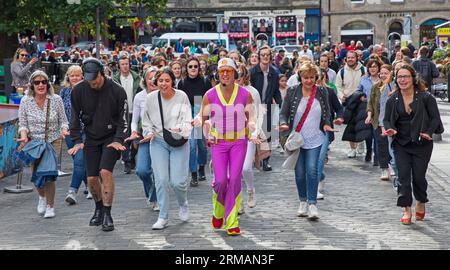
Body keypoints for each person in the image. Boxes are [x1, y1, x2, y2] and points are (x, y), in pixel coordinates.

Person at [194, 58, 258, 235]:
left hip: (239, 142)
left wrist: (252, 125)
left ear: (234, 73)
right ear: (218, 74)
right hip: (219, 143)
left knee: (235, 179)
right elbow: (202, 116)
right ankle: (218, 211)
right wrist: (198, 120)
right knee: (221, 181)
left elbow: (251, 115)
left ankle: (231, 221)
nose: (225, 74)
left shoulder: (245, 94)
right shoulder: (210, 95)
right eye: (222, 71)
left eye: (228, 71)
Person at [69, 58, 128, 232]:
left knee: (105, 171)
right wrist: (77, 139)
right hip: (91, 137)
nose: (92, 83)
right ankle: (99, 208)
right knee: (92, 178)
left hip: (111, 137)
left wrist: (119, 139)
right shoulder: (78, 90)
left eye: (94, 79)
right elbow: (74, 116)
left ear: (101, 73)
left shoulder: (117, 90)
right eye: (88, 79)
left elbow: (123, 119)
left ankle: (108, 213)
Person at [383, 64, 443, 225]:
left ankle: (421, 201)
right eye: (399, 77)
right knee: (403, 177)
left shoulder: (426, 97)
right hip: (401, 143)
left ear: (413, 78)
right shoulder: (392, 98)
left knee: (418, 177)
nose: (402, 80)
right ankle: (405, 208)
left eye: (406, 76)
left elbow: (435, 118)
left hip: (421, 143)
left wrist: (429, 132)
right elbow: (387, 119)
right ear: (396, 79)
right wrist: (390, 129)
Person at [279, 62, 334, 220]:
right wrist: (283, 123)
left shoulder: (322, 91)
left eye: (311, 77)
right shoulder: (292, 92)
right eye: (305, 78)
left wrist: (327, 124)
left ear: (316, 77)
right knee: (300, 172)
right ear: (300, 78)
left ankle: (312, 204)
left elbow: (327, 112)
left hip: (316, 137)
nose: (309, 81)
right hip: (297, 138)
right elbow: (284, 112)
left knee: (312, 169)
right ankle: (302, 201)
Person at [141, 68, 192, 230]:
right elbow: (146, 121)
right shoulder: (150, 98)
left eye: (167, 80)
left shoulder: (181, 96)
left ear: (172, 82)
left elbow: (187, 119)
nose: (164, 84)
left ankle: (183, 203)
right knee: (161, 179)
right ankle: (163, 216)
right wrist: (148, 133)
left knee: (177, 182)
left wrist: (180, 128)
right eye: (161, 80)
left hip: (178, 141)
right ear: (156, 82)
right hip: (158, 141)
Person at [17, 70, 69, 218]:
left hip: (53, 140)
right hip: (33, 142)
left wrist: (64, 130)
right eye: (37, 82)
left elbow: (63, 121)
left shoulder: (56, 99)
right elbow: (23, 123)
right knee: (35, 173)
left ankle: (50, 206)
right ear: (32, 85)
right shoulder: (25, 101)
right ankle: (41, 197)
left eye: (43, 82)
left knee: (49, 174)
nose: (41, 85)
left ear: (48, 84)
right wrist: (24, 136)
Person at [125, 67, 159, 211]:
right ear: (144, 80)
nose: (152, 80)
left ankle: (156, 199)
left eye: (154, 78)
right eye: (149, 77)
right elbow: (134, 120)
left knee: (159, 171)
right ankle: (151, 192)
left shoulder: (164, 94)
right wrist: (133, 132)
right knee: (142, 170)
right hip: (144, 137)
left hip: (161, 137)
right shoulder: (140, 97)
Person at [178, 57, 212, 187]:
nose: (193, 69)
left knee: (202, 145)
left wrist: (204, 118)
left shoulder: (205, 81)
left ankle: (201, 167)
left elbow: (209, 101)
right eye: (190, 66)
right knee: (191, 146)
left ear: (199, 68)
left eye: (195, 66)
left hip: (201, 113)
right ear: (186, 68)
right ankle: (193, 173)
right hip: (187, 116)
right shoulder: (182, 83)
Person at [59, 65, 91, 205]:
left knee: (79, 161)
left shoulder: (87, 90)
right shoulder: (64, 92)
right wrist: (61, 128)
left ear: (82, 76)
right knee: (80, 162)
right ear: (68, 77)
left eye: (77, 75)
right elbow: (59, 112)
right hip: (69, 132)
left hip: (84, 131)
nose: (75, 78)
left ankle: (72, 191)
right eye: (72, 75)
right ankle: (91, 185)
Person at [236, 62, 264, 214]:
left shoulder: (252, 92)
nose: (236, 80)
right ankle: (237, 201)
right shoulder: (227, 91)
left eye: (239, 77)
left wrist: (255, 133)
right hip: (232, 135)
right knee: (234, 171)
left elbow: (259, 114)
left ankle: (250, 189)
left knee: (246, 167)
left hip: (249, 134)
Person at [250, 45, 282, 171]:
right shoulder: (253, 72)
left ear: (270, 57)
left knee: (267, 133)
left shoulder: (274, 72)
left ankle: (265, 160)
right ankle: (252, 158)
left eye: (267, 55)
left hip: (267, 106)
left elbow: (276, 91)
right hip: (253, 107)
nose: (265, 57)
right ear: (259, 57)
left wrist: (279, 105)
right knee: (254, 132)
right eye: (262, 55)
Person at [112, 55, 142, 174]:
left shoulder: (136, 78)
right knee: (124, 137)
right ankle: (127, 162)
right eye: (122, 64)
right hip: (121, 112)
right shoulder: (115, 79)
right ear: (119, 66)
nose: (125, 66)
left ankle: (132, 157)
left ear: (130, 64)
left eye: (126, 63)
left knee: (135, 137)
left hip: (135, 110)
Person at [367, 64, 395, 181]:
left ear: (390, 74)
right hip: (378, 121)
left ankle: (392, 163)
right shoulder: (375, 87)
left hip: (392, 121)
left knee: (392, 145)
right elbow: (370, 103)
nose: (383, 75)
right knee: (381, 145)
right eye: (382, 73)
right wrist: (369, 115)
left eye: (386, 73)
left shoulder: (394, 86)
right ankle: (384, 168)